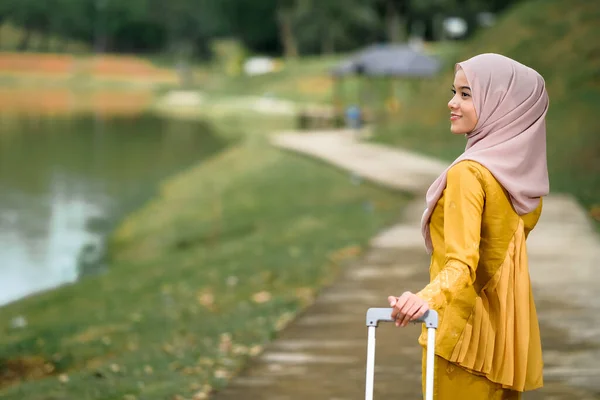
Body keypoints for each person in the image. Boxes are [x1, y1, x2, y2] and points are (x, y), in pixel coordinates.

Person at [387, 53, 550, 399]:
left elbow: (462, 264)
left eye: (466, 94)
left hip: (462, 339)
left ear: (501, 104)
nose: (452, 103)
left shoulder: (469, 173)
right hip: (504, 342)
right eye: (454, 92)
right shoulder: (520, 182)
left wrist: (424, 298)